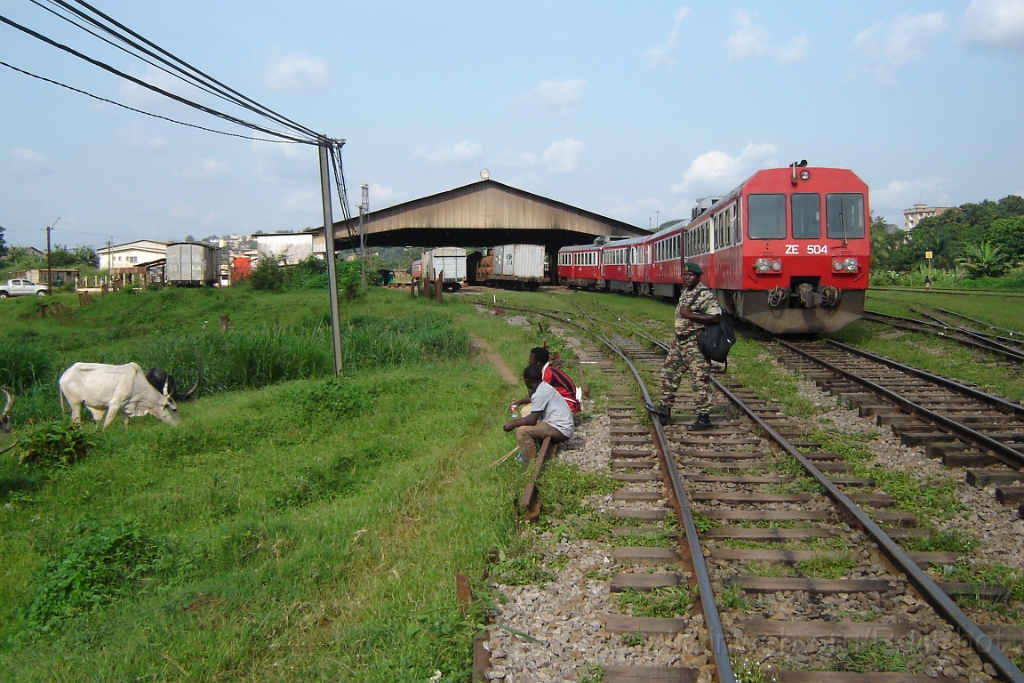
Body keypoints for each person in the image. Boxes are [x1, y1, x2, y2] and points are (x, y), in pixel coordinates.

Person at [652, 261, 721, 430]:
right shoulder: (686, 292)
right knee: (668, 373)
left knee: (699, 380)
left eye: (691, 275)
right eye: (685, 275)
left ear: (698, 276)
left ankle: (704, 417)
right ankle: (664, 409)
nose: (687, 278)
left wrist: (691, 315)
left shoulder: (705, 295)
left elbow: (715, 317)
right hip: (680, 342)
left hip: (695, 343)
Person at [504, 364, 574, 462]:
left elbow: (532, 420)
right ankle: (533, 452)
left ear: (527, 380)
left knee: (522, 431)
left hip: (561, 429)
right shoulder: (543, 386)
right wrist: (519, 402)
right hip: (560, 424)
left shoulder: (540, 393)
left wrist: (513, 423)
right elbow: (533, 399)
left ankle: (529, 464)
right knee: (527, 418)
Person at [515, 347, 581, 413]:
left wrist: (519, 402)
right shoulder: (549, 369)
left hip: (568, 405)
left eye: (531, 359)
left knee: (526, 411)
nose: (528, 360)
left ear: (538, 363)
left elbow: (535, 396)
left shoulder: (547, 374)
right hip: (566, 402)